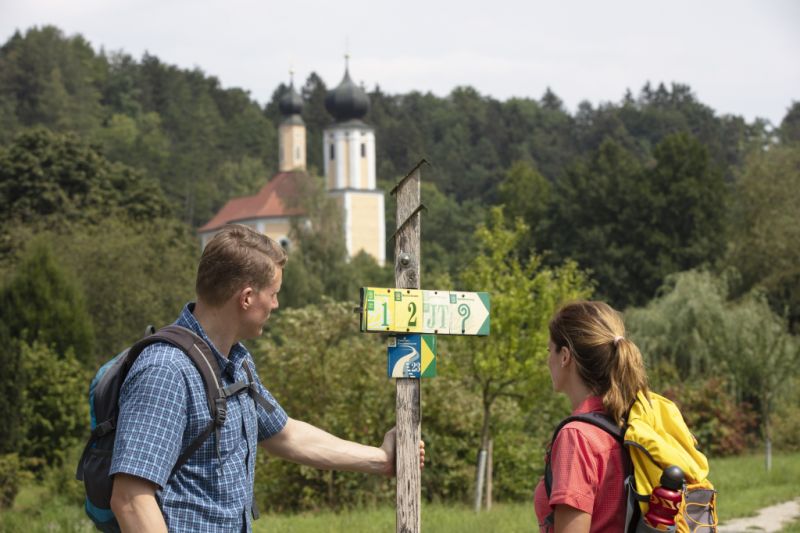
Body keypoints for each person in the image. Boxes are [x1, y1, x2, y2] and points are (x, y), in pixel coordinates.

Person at [109, 223, 424, 532]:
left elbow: (286, 436)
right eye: (273, 294)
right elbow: (130, 500)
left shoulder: (236, 362)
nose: (276, 304)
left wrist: (381, 458)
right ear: (246, 298)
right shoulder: (166, 370)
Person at [533, 300, 649, 533]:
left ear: (565, 356)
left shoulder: (577, 437)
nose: (548, 361)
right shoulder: (632, 420)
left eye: (549, 351)